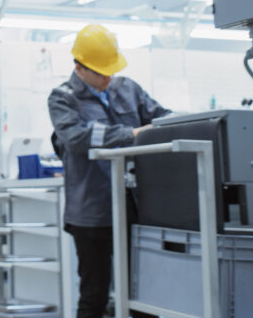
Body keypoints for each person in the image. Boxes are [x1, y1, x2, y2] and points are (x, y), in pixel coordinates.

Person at [47, 24, 169, 318]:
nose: (108, 78)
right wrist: (133, 133)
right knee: (94, 294)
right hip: (91, 212)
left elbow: (161, 118)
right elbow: (77, 137)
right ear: (79, 67)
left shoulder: (129, 88)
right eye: (101, 72)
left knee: (143, 292)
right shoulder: (62, 98)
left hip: (135, 207)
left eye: (110, 70)